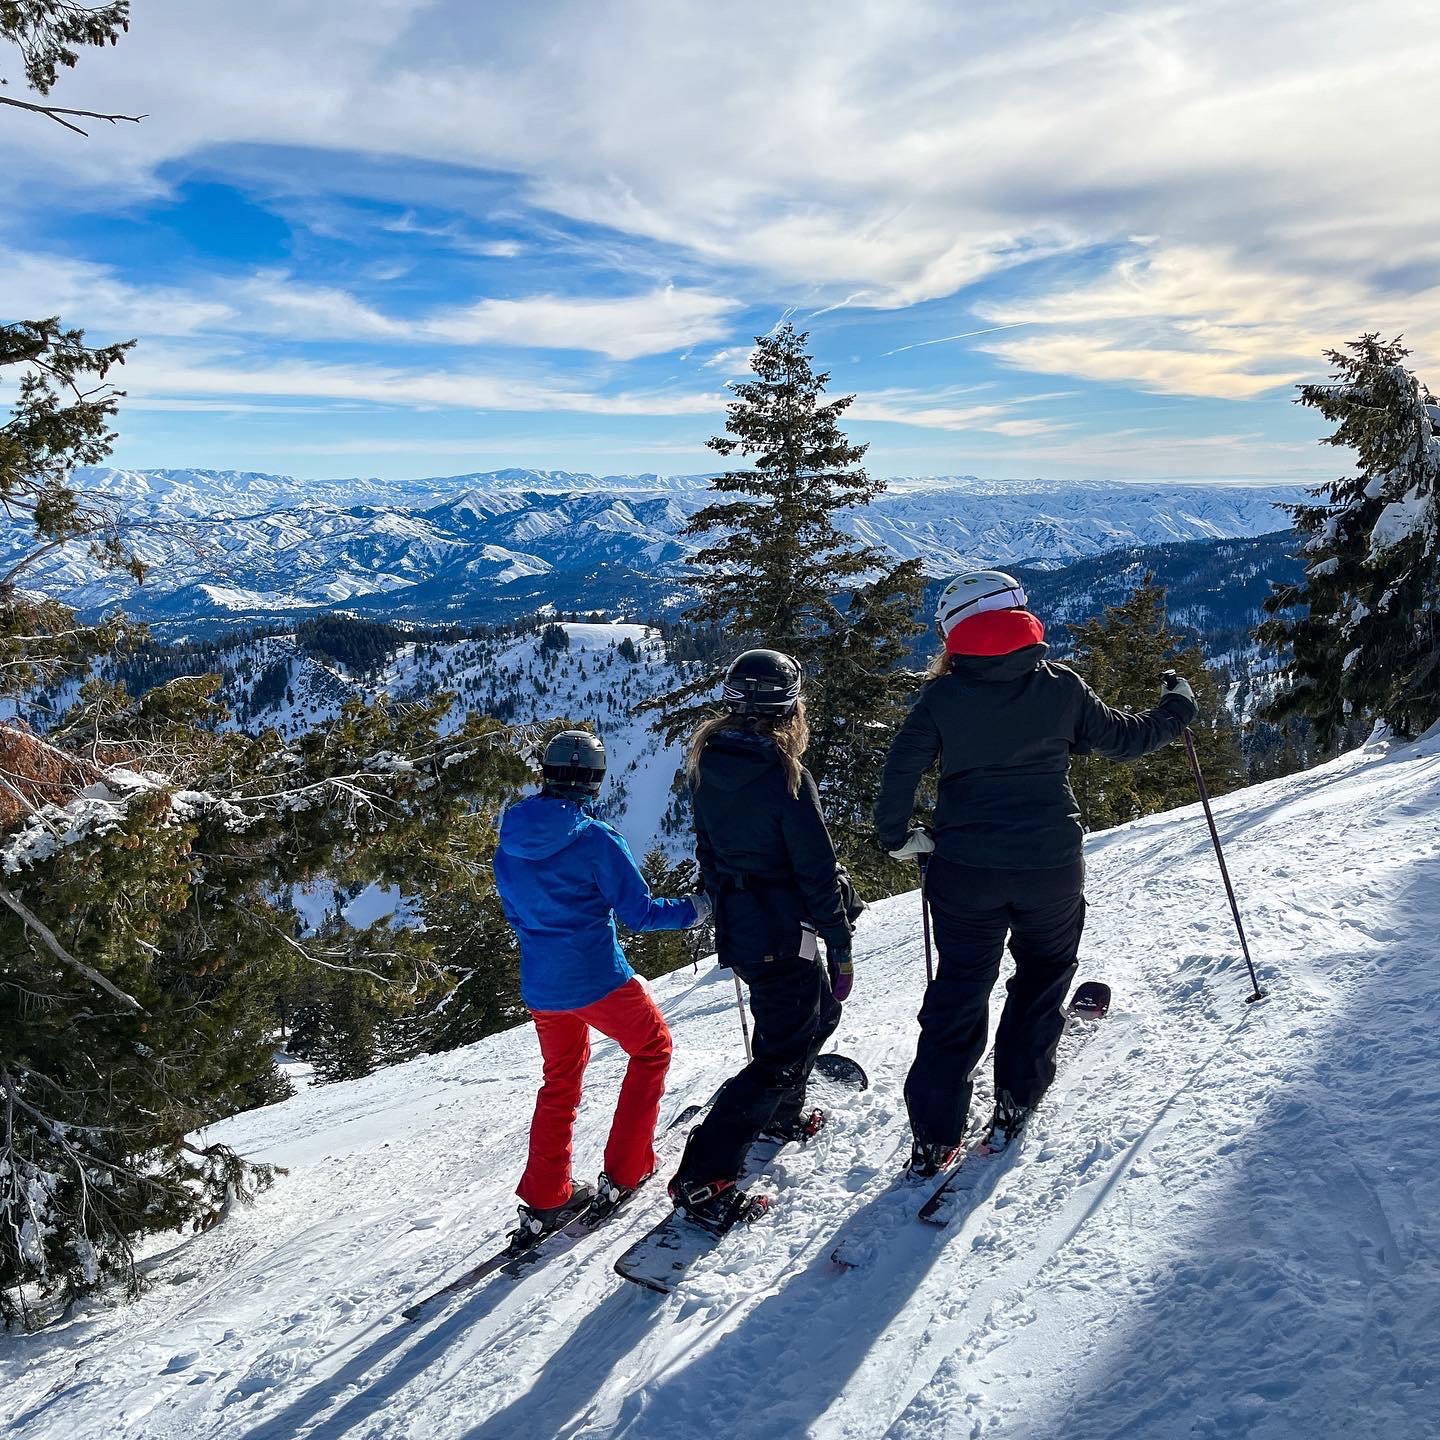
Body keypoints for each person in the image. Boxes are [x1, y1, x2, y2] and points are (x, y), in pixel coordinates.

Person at [875, 570, 1198, 1176]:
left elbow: (898, 775)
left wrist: (901, 838)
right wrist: (1177, 707)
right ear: (1019, 619)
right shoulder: (1060, 688)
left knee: (960, 987)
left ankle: (935, 1132)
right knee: (1043, 974)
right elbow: (1127, 740)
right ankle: (1017, 1098)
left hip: (965, 872)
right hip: (1049, 867)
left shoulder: (941, 698)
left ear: (956, 634)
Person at [494, 729, 709, 1241]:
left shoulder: (510, 840)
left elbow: (513, 912)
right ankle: (627, 1170)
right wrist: (698, 909)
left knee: (561, 1080)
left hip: (542, 985)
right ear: (593, 780)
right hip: (597, 977)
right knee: (652, 1049)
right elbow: (639, 913)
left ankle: (546, 1197)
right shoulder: (594, 838)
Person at [669, 649, 856, 1234]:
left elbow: (708, 847)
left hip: (743, 921)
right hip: (782, 926)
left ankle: (779, 1116)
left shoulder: (707, 762)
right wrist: (840, 942)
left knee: (813, 1016)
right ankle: (706, 1176)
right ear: (790, 707)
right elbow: (816, 869)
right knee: (780, 1053)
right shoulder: (785, 775)